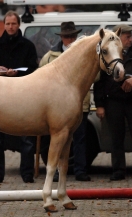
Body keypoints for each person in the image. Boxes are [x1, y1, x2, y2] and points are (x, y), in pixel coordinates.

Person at [0, 10, 38, 184]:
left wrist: (18, 73)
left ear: (18, 25)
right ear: (4, 25)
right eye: (7, 24)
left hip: (23, 96)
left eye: (13, 24)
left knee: (27, 138)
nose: (10, 27)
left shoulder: (28, 46)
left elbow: (34, 70)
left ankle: (27, 174)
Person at [94, 24, 132, 181]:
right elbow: (100, 82)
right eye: (127, 37)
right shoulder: (109, 56)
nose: (131, 39)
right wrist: (100, 104)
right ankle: (118, 170)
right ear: (118, 38)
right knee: (116, 136)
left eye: (131, 36)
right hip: (114, 101)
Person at [39, 21, 92, 182]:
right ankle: (54, 171)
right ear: (61, 37)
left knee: (80, 139)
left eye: (73, 36)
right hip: (54, 107)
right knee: (54, 139)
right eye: (67, 36)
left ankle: (80, 170)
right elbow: (40, 78)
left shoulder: (85, 58)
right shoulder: (49, 56)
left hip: (79, 104)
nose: (70, 39)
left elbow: (93, 77)